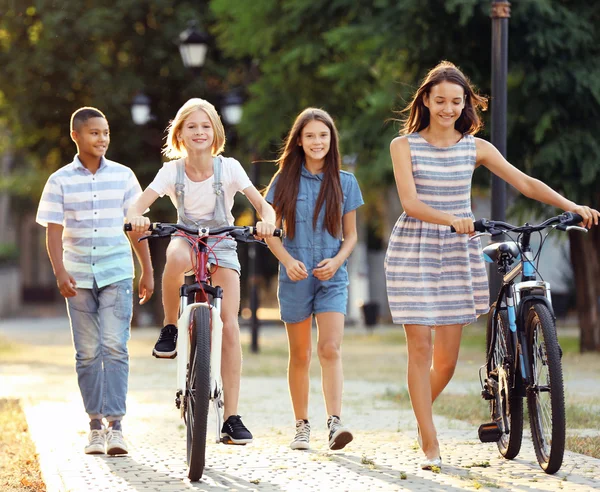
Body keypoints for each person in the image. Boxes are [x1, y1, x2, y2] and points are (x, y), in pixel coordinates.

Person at [385, 61, 600, 470]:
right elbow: (410, 202)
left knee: (446, 360)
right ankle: (429, 440)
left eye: (456, 101)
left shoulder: (475, 147)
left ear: (465, 103)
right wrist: (451, 218)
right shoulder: (404, 146)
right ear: (426, 101)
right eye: (440, 100)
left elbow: (525, 183)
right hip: (415, 249)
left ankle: (420, 414)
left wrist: (572, 206)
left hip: (456, 251)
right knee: (420, 348)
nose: (448, 108)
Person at [127, 98, 276, 444]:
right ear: (180, 133)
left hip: (223, 240)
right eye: (191, 126)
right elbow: (138, 204)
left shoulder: (230, 169)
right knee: (175, 258)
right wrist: (137, 216)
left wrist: (266, 223)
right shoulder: (171, 171)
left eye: (205, 126)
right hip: (186, 236)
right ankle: (169, 327)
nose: (199, 132)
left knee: (229, 324)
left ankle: (231, 417)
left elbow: (263, 206)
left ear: (215, 133)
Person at [36, 107, 154, 455]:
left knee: (115, 346)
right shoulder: (59, 180)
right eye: (94, 133)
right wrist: (59, 272)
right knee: (87, 353)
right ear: (76, 135)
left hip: (117, 271)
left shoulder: (124, 176)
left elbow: (136, 228)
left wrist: (147, 269)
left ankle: (116, 426)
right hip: (78, 277)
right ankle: (94, 426)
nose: (102, 139)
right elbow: (53, 233)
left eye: (105, 132)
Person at [264, 108, 364, 451]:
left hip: (332, 277)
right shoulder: (283, 182)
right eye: (310, 136)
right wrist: (288, 261)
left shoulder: (346, 182)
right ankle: (301, 426)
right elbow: (270, 232)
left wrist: (337, 262)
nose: (317, 141)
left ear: (331, 139)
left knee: (330, 348)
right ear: (300, 141)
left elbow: (351, 236)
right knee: (301, 354)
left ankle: (335, 424)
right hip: (295, 277)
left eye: (323, 135)